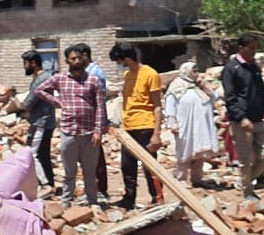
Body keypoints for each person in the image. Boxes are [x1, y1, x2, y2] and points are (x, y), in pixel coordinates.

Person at [36, 45, 105, 209]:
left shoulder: (93, 80)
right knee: (69, 172)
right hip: (69, 132)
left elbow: (100, 107)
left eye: (79, 58)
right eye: (73, 58)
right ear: (67, 61)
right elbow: (40, 90)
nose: (77, 61)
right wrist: (57, 102)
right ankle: (66, 202)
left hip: (89, 133)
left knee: (89, 172)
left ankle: (93, 202)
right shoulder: (60, 79)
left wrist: (98, 130)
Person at [222, 33, 264, 203]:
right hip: (241, 122)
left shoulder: (254, 68)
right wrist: (241, 117)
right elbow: (230, 98)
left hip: (258, 119)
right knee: (244, 159)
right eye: (251, 48)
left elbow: (261, 93)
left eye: (255, 48)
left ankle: (245, 181)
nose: (254, 51)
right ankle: (248, 193)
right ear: (241, 48)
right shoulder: (231, 69)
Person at [111, 43, 164, 210]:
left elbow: (157, 105)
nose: (119, 65)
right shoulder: (128, 75)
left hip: (145, 126)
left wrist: (156, 134)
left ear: (127, 59)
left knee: (150, 167)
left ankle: (157, 198)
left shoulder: (150, 74)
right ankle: (129, 199)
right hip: (129, 127)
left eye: (120, 61)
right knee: (127, 166)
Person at [163, 62, 219, 187]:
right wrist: (172, 123)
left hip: (201, 125)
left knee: (199, 152)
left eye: (197, 70)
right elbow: (170, 104)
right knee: (184, 151)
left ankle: (197, 179)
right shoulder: (176, 86)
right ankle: (182, 178)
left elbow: (214, 98)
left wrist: (205, 87)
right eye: (194, 71)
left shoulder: (198, 86)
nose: (197, 73)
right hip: (185, 125)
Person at [19, 51, 57, 191]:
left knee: (32, 154)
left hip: (41, 121)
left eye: (25, 63)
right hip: (46, 120)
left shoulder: (41, 79)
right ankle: (50, 183)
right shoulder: (46, 76)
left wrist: (19, 105)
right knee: (43, 154)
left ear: (33, 63)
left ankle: (45, 184)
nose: (24, 67)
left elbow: (29, 101)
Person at [77, 44, 110, 200]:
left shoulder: (95, 73)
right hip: (85, 121)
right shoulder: (86, 72)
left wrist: (100, 123)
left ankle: (100, 190)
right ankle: (92, 190)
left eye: (77, 58)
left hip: (92, 121)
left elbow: (99, 100)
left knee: (95, 156)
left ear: (85, 55)